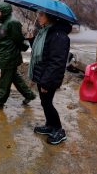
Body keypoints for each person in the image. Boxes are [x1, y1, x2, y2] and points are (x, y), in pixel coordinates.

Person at [29, 11, 71, 145]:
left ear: (50, 17)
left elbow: (57, 62)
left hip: (49, 77)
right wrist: (31, 40)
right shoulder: (45, 32)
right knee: (44, 102)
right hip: (42, 74)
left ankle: (59, 129)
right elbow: (43, 52)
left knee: (47, 102)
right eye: (38, 15)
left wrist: (46, 83)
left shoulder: (58, 35)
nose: (38, 18)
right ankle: (49, 125)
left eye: (41, 15)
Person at [0, 2, 36, 110]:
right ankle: (29, 95)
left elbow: (18, 39)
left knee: (5, 80)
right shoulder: (5, 22)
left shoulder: (12, 23)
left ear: (4, 12)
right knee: (15, 78)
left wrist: (25, 47)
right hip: (6, 55)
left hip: (9, 57)